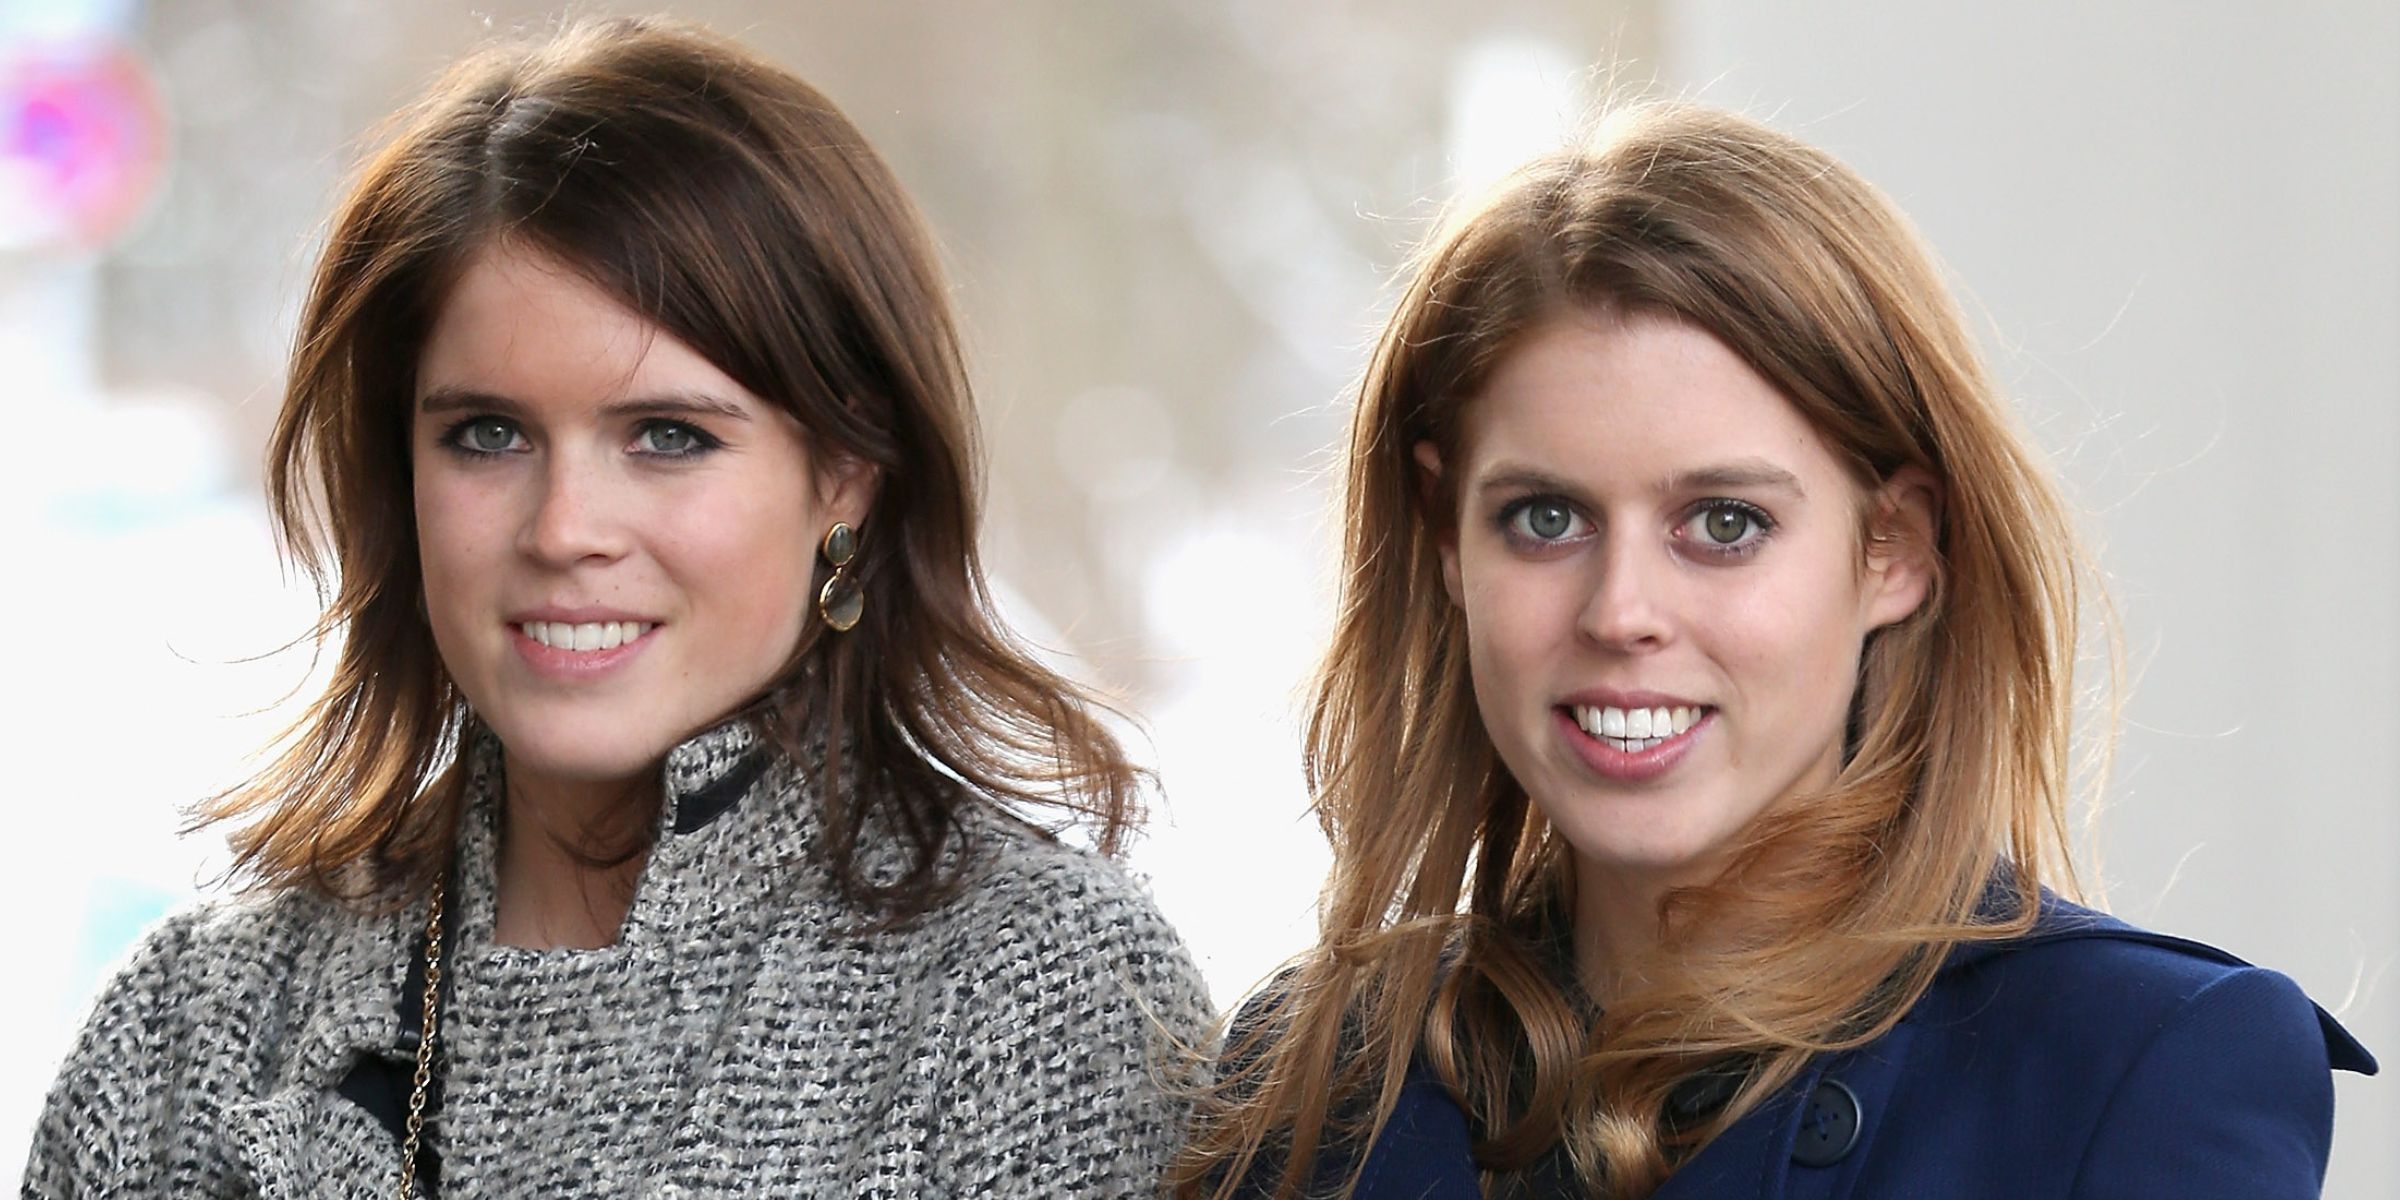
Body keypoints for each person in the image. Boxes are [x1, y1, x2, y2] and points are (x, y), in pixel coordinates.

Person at [24, 16, 1209, 1198]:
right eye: (487, 434)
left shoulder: (1041, 998)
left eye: (668, 437)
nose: (562, 529)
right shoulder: (186, 1033)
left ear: (845, 473)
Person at [1173, 102, 2374, 1199]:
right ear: (1447, 538)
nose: (1621, 611)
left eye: (1723, 524)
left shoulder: (2138, 1065)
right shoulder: (1315, 1076)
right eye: (1545, 518)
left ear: (1895, 548)